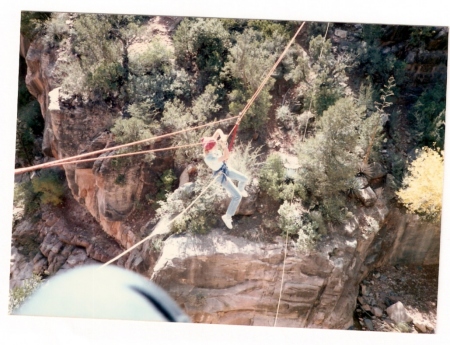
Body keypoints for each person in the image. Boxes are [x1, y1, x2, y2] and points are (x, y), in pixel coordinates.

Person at [201, 129, 248, 229]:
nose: (217, 145)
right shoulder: (210, 158)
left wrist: (222, 136)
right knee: (237, 196)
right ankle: (227, 216)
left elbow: (217, 131)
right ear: (211, 148)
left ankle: (240, 188)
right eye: (216, 145)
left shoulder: (211, 144)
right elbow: (226, 155)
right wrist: (224, 146)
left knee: (244, 178)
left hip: (224, 169)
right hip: (221, 175)